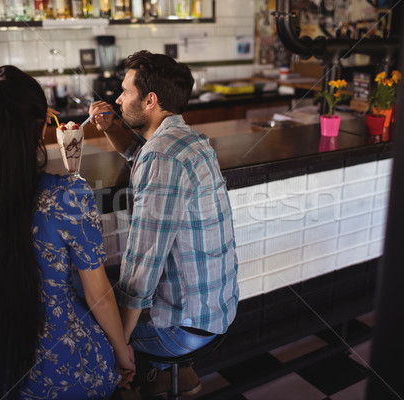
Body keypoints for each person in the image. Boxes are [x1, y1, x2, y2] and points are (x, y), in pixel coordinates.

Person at [0, 65, 135, 399]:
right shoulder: (68, 196)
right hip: (74, 366)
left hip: (3, 370)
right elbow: (98, 295)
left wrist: (14, 116)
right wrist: (123, 354)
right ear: (42, 129)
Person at [88, 50, 239, 397]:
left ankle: (144, 375)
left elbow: (143, 266)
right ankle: (174, 375)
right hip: (217, 311)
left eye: (125, 91)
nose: (117, 98)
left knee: (88, 313)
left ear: (150, 100)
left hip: (185, 328)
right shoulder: (189, 139)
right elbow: (140, 154)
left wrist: (121, 348)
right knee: (112, 291)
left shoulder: (162, 157)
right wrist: (112, 127)